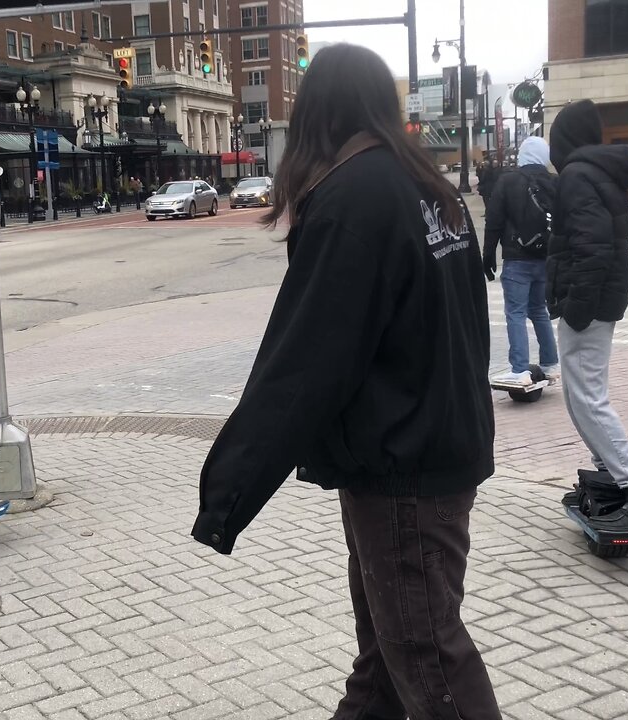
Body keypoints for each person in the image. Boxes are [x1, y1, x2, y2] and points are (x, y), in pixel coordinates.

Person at [191, 44, 500, 720]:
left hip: (403, 467)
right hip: (439, 446)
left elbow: (305, 362)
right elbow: (468, 328)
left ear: (317, 114)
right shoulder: (432, 190)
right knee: (389, 659)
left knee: (425, 656)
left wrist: (227, 497)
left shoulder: (351, 200)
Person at [548, 99, 628, 535]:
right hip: (600, 299)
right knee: (581, 395)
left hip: (590, 304)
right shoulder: (596, 174)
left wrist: (576, 309)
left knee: (587, 397)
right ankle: (613, 477)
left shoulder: (578, 177)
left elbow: (593, 246)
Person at [484, 137, 557, 385]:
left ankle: (519, 369)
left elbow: (493, 222)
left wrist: (488, 255)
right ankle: (550, 363)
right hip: (545, 258)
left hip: (517, 258)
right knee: (539, 311)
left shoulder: (508, 180)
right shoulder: (553, 182)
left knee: (515, 312)